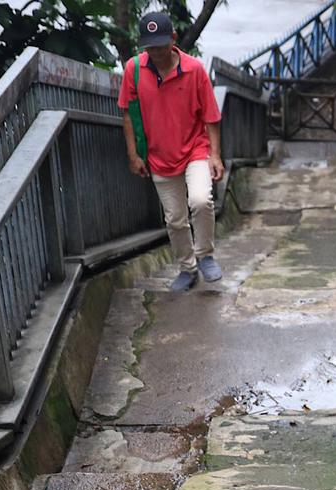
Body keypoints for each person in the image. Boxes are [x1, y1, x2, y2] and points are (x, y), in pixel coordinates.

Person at [119, 11, 225, 292]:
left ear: (173, 39)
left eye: (160, 46)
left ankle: (205, 256)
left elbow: (211, 116)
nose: (155, 52)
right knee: (175, 219)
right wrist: (133, 155)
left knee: (201, 200)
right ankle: (187, 269)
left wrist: (215, 155)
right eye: (150, 47)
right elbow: (127, 113)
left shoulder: (195, 70)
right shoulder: (133, 70)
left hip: (194, 148)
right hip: (158, 155)